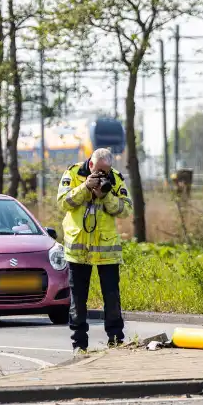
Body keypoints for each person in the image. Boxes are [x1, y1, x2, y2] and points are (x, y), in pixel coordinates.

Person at [56, 147, 133, 353]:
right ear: (90, 164)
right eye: (98, 171)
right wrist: (84, 188)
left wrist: (105, 195)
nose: (102, 175)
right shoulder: (72, 174)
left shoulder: (115, 179)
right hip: (79, 250)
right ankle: (79, 344)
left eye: (105, 171)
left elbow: (126, 210)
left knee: (112, 297)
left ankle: (116, 339)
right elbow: (63, 203)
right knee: (78, 300)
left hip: (107, 250)